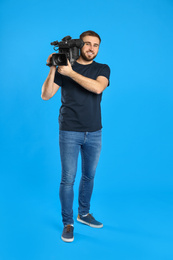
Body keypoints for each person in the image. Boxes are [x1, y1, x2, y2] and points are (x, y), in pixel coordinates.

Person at [41, 30, 110, 242]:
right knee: (68, 179)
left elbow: (98, 88)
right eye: (87, 44)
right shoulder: (64, 67)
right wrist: (54, 68)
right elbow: (45, 95)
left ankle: (84, 213)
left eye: (95, 45)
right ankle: (68, 223)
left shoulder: (102, 68)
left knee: (89, 176)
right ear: (80, 45)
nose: (91, 48)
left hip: (94, 132)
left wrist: (70, 73)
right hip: (69, 130)